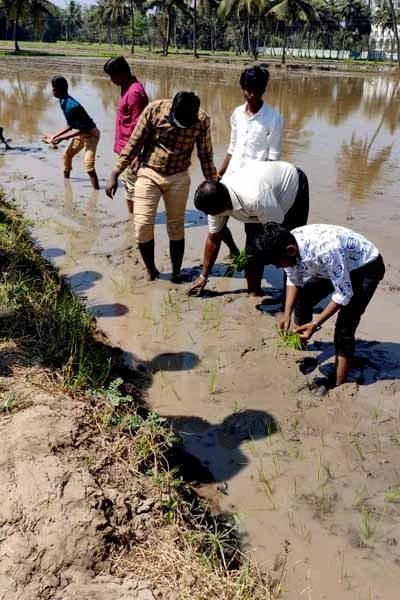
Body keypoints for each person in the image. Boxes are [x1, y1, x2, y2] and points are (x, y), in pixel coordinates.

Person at [106, 91, 228, 283]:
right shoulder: (154, 110)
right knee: (143, 225)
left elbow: (205, 155)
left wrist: (212, 185)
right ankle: (151, 270)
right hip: (149, 172)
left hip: (178, 176)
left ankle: (176, 272)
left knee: (176, 226)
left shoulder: (201, 120)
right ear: (172, 111)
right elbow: (134, 144)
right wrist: (115, 173)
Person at [248, 222, 385, 388]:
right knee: (304, 298)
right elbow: (293, 277)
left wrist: (315, 323)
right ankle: (299, 351)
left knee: (345, 327)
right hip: (333, 265)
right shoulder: (288, 242)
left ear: (290, 251)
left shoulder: (325, 251)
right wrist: (286, 313)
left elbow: (343, 294)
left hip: (365, 267)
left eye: (277, 263)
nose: (277, 267)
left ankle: (338, 383)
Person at [188, 161, 309, 296]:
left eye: (209, 212)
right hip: (261, 200)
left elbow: (277, 233)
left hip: (291, 187)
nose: (208, 215)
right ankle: (254, 292)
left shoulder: (255, 198)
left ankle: (290, 301)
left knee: (290, 248)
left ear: (221, 205)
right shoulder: (216, 202)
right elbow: (214, 238)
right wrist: (203, 276)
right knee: (252, 249)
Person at [217, 65, 284, 179]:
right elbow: (232, 148)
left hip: (255, 180)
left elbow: (273, 158)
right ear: (243, 88)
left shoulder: (274, 119)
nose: (253, 94)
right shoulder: (237, 113)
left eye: (257, 90)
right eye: (249, 89)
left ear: (263, 90)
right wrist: (219, 174)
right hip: (231, 176)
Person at [104, 56, 148, 215]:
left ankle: (134, 221)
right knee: (128, 186)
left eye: (112, 75)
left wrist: (136, 154)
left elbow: (139, 126)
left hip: (131, 151)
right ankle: (134, 219)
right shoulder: (126, 86)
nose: (111, 80)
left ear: (122, 72)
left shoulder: (134, 93)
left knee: (132, 188)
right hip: (125, 149)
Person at [44, 76, 100, 190]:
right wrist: (55, 135)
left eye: (53, 89)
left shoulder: (71, 106)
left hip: (91, 134)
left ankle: (96, 191)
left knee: (88, 164)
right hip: (80, 133)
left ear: (57, 90)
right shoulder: (62, 100)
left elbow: (81, 129)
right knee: (67, 156)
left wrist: (61, 138)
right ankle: (66, 185)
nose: (52, 91)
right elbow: (70, 125)